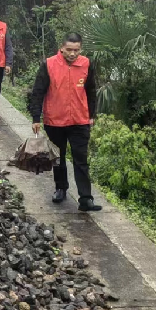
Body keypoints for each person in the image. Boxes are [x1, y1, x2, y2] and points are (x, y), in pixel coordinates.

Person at [29, 33, 102, 212]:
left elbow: (91, 91)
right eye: (69, 50)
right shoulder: (49, 64)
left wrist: (91, 115)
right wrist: (35, 118)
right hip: (55, 120)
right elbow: (38, 91)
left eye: (76, 50)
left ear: (81, 49)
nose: (72, 54)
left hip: (79, 120)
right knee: (58, 158)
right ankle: (61, 188)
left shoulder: (86, 64)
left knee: (81, 159)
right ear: (62, 48)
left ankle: (85, 198)